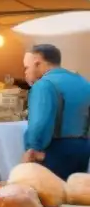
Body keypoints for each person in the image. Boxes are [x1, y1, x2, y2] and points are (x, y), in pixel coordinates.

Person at [22, 43, 90, 179]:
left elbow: (40, 123)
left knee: (51, 197)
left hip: (54, 150)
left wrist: (33, 148)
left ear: (38, 63)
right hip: (83, 148)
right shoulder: (83, 82)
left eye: (27, 67)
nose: (25, 72)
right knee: (74, 196)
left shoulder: (44, 85)